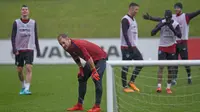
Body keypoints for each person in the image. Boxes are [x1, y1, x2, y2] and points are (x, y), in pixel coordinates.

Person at [143, 2, 200, 85]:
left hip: (183, 42)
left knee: (185, 60)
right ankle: (174, 79)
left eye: (178, 7)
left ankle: (189, 76)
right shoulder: (171, 16)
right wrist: (150, 18)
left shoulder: (186, 16)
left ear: (181, 8)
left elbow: (196, 13)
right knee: (175, 62)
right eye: (175, 7)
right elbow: (160, 19)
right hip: (174, 42)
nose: (176, 9)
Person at [57, 34, 107, 112]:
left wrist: (94, 71)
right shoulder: (67, 47)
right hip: (91, 60)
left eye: (63, 42)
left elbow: (88, 57)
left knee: (96, 78)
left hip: (101, 58)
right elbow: (75, 57)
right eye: (61, 44)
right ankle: (79, 105)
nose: (63, 45)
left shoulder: (78, 44)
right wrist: (80, 68)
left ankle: (97, 106)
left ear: (68, 39)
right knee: (81, 78)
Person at [11, 5, 41, 95]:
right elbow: (13, 36)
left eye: (26, 10)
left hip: (29, 48)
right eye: (23, 10)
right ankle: (23, 86)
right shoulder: (16, 22)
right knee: (19, 70)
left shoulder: (33, 22)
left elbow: (35, 36)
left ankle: (27, 88)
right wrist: (14, 48)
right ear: (21, 12)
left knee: (28, 67)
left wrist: (38, 50)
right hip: (19, 50)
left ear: (28, 12)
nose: (24, 11)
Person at [151, 10, 182, 94]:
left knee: (170, 69)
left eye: (168, 18)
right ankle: (159, 87)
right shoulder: (162, 22)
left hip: (172, 47)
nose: (167, 20)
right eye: (165, 18)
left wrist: (171, 28)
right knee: (161, 67)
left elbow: (180, 35)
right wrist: (159, 26)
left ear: (171, 17)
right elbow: (152, 33)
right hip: (162, 47)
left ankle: (168, 87)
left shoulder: (175, 24)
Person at [120, 2, 143, 93]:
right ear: (130, 9)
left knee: (141, 62)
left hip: (133, 47)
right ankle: (125, 86)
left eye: (138, 10)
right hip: (126, 47)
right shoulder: (125, 20)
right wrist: (129, 46)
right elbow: (125, 34)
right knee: (126, 67)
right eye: (136, 9)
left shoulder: (133, 19)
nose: (137, 11)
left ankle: (131, 81)